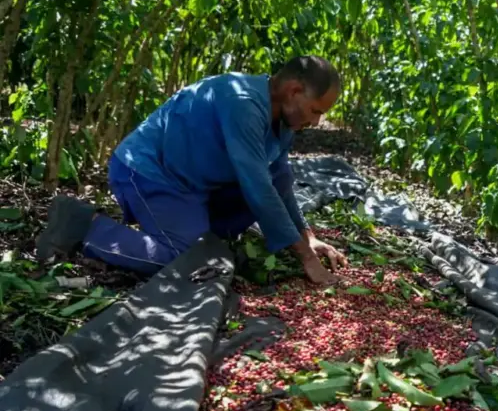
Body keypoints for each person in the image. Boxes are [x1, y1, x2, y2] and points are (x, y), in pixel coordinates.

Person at [35, 55, 348, 284]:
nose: (317, 122)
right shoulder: (243, 103)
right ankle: (83, 223)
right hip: (149, 172)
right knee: (184, 260)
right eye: (315, 110)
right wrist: (305, 258)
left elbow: (280, 180)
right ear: (293, 91)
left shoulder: (285, 121)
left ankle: (192, 231)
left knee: (223, 235)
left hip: (195, 184)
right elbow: (258, 186)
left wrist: (308, 238)